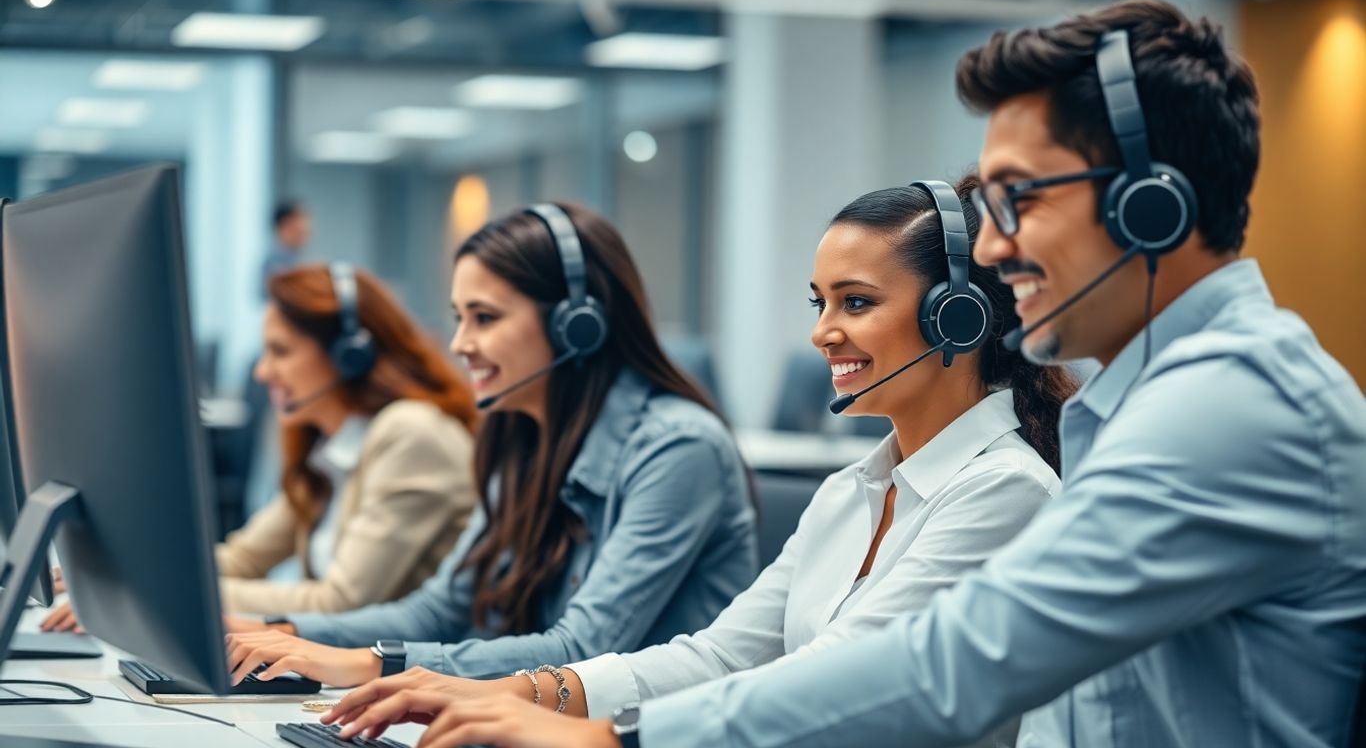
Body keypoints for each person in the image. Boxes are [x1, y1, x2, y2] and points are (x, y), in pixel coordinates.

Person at [353, 0, 1366, 748]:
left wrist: (615, 737)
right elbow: (737, 654)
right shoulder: (1147, 405)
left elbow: (953, 666)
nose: (996, 246)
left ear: (1152, 203)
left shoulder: (1232, 407)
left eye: (1020, 199)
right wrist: (538, 701)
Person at [317, 178, 1079, 746]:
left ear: (957, 316)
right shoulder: (851, 492)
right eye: (818, 303)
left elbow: (836, 679)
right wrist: (524, 692)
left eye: (855, 302)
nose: (822, 332)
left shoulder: (1005, 492)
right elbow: (720, 654)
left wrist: (608, 736)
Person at [220, 202, 759, 688]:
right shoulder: (523, 442)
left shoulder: (678, 449)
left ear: (577, 326)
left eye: (484, 318)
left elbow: (581, 651)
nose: (460, 345)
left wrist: (372, 664)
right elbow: (436, 612)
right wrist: (281, 632)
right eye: (459, 319)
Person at [43, 263, 480, 626]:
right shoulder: (331, 449)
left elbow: (341, 601)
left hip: (409, 683)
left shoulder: (413, 434)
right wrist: (126, 574)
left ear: (350, 354)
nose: (262, 372)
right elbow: (244, 558)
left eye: (281, 351)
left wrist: (157, 596)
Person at [262, 200, 311, 295]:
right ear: (284, 227)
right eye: (298, 230)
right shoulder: (276, 265)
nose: (305, 229)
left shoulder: (296, 258)